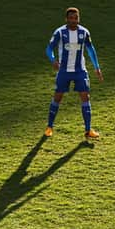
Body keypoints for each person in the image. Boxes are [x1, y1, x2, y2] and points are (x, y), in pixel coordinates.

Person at [44, 7, 103, 138]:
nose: (73, 21)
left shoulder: (84, 32)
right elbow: (49, 49)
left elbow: (90, 50)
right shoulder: (60, 32)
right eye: (71, 18)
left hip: (80, 71)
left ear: (78, 18)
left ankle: (88, 130)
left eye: (75, 18)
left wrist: (97, 67)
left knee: (85, 97)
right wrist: (53, 60)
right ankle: (49, 127)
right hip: (64, 71)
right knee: (57, 97)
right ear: (66, 19)